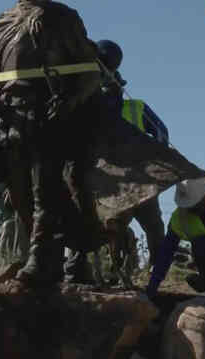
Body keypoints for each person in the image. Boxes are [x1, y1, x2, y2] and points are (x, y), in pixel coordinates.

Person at [0, 0, 101, 288]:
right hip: (9, 117)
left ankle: (41, 258)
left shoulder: (63, 18)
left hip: (46, 116)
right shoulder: (4, 22)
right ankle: (74, 243)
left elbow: (90, 73)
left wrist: (70, 101)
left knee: (44, 191)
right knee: (16, 191)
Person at [63, 39, 168, 284]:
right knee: (102, 223)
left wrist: (151, 161)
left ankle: (157, 269)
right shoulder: (87, 107)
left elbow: (161, 134)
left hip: (138, 178)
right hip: (105, 180)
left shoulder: (136, 108)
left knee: (152, 224)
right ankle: (85, 268)